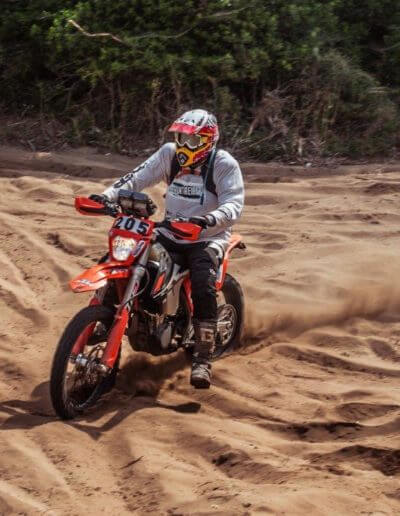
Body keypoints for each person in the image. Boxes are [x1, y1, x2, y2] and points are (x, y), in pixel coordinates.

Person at [90, 109, 244, 389]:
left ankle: (202, 357)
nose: (183, 145)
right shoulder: (169, 155)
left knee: (203, 282)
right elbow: (136, 177)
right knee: (121, 257)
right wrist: (107, 196)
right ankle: (103, 317)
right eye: (180, 138)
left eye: (192, 140)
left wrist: (208, 219)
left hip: (207, 237)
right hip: (170, 229)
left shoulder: (224, 164)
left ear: (208, 141)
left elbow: (234, 203)